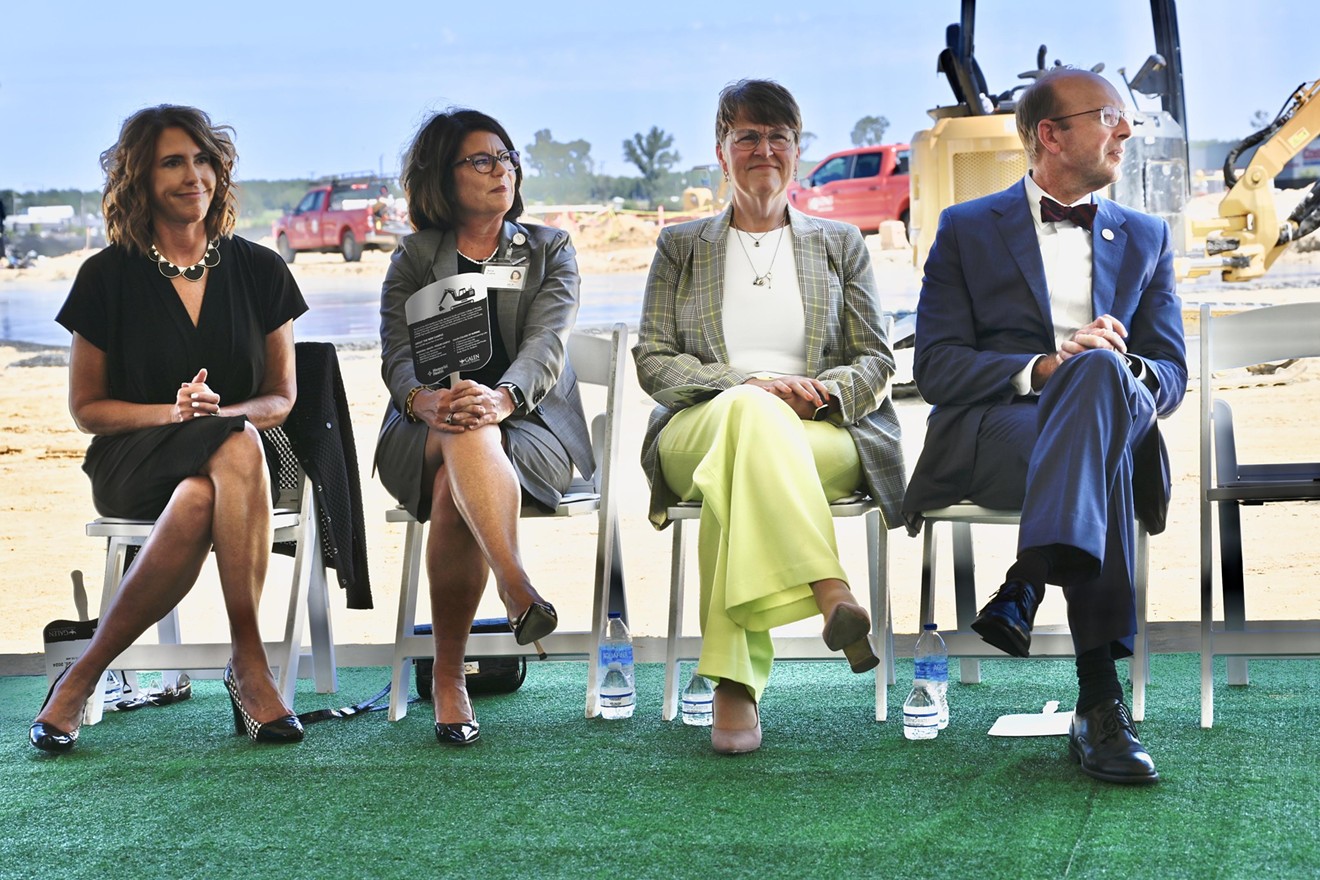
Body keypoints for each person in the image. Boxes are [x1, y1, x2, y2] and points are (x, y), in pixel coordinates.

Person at [903, 68, 1187, 784]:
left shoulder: (1148, 237)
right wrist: (1044, 367)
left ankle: (1032, 577)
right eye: (1108, 116)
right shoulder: (966, 230)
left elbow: (1172, 374)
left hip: (1105, 431)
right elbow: (935, 367)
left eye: (1125, 119)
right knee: (1087, 392)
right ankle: (1100, 702)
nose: (1125, 130)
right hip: (1000, 435)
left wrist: (1117, 372)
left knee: (1100, 376)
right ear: (1049, 135)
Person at [634, 79, 906, 755]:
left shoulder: (840, 243)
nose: (764, 149)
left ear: (796, 149)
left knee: (745, 462)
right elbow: (654, 361)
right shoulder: (680, 246)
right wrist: (748, 385)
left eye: (777, 135)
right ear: (721, 151)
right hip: (698, 428)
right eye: (747, 136)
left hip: (823, 434)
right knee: (745, 421)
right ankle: (829, 588)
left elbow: (876, 358)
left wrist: (820, 391)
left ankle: (734, 687)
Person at [31, 105, 309, 753]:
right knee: (229, 449)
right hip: (133, 459)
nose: (194, 176)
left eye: (203, 159)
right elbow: (87, 409)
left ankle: (82, 677)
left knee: (213, 477)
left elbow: (283, 398)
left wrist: (222, 416)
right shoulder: (106, 277)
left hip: (244, 468)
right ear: (140, 180)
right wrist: (176, 415)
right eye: (173, 162)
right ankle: (251, 663)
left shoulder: (262, 269)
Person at [375, 108, 593, 746]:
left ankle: (449, 675)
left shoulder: (549, 249)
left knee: (460, 468)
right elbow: (396, 354)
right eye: (482, 160)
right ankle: (515, 586)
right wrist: (420, 399)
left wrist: (500, 399)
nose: (502, 169)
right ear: (443, 176)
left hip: (531, 427)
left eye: (507, 158)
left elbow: (548, 344)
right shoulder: (415, 257)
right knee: (459, 433)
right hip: (422, 426)